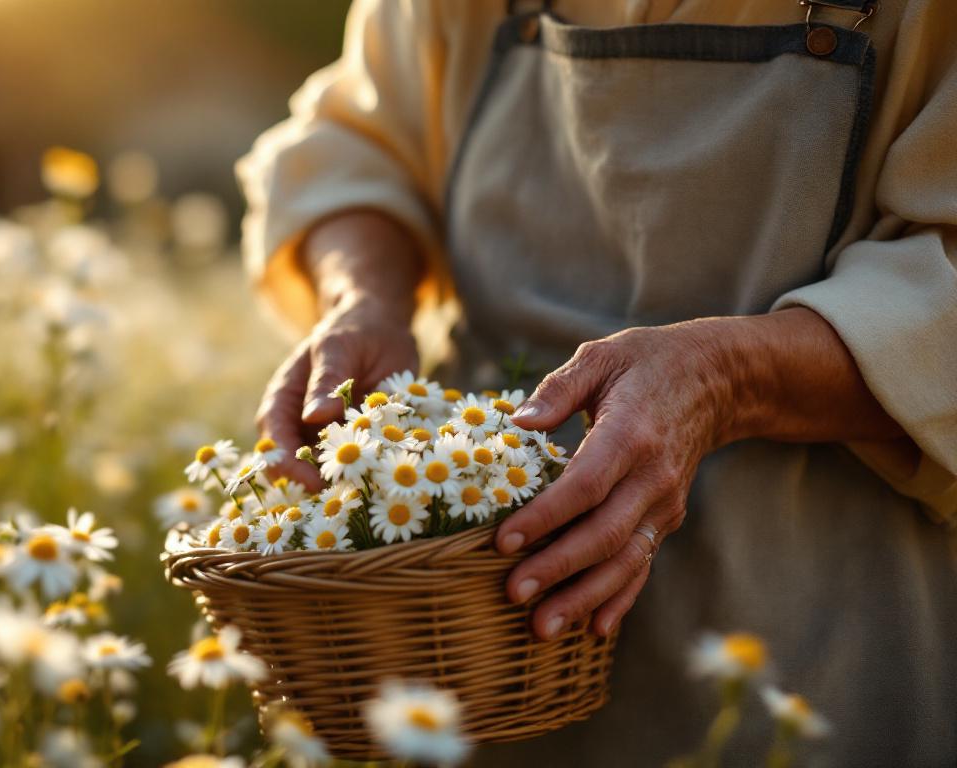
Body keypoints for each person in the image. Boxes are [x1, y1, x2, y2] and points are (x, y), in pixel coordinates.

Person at [237, 0, 957, 764]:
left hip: (807, 657)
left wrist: (726, 375)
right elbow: (356, 143)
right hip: (470, 652)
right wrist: (366, 296)